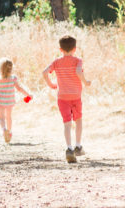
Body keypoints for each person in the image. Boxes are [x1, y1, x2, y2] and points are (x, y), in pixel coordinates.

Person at [42, 34, 91, 163]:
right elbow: (79, 72)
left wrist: (51, 84)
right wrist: (85, 82)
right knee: (78, 120)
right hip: (75, 96)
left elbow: (44, 72)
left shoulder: (56, 62)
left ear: (60, 49)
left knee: (67, 123)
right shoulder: (77, 60)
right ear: (75, 49)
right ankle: (78, 146)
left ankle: (69, 149)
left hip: (62, 97)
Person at [0, 57, 31, 143]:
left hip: (0, 101)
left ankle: (4, 130)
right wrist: (28, 94)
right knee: (9, 117)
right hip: (10, 101)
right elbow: (19, 88)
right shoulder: (13, 78)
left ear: (0, 68)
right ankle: (9, 132)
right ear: (11, 68)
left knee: (1, 118)